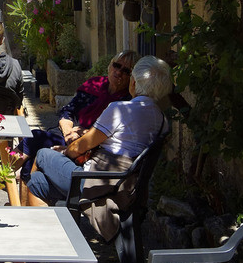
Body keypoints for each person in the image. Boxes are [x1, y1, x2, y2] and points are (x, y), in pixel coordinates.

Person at [20, 54, 171, 207]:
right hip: (126, 186)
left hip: (94, 182)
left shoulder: (120, 110)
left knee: (43, 154)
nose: (119, 72)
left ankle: (33, 221)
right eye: (117, 66)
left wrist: (63, 153)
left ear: (133, 82)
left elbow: (79, 147)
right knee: (37, 181)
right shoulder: (162, 120)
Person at [23, 48, 138, 164]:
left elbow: (112, 134)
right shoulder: (95, 84)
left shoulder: (127, 101)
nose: (118, 72)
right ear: (110, 66)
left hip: (88, 146)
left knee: (36, 139)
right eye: (117, 65)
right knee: (33, 151)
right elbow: (68, 110)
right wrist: (68, 132)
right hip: (68, 134)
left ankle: (7, 173)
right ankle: (9, 174)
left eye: (126, 71)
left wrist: (84, 133)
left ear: (132, 77)